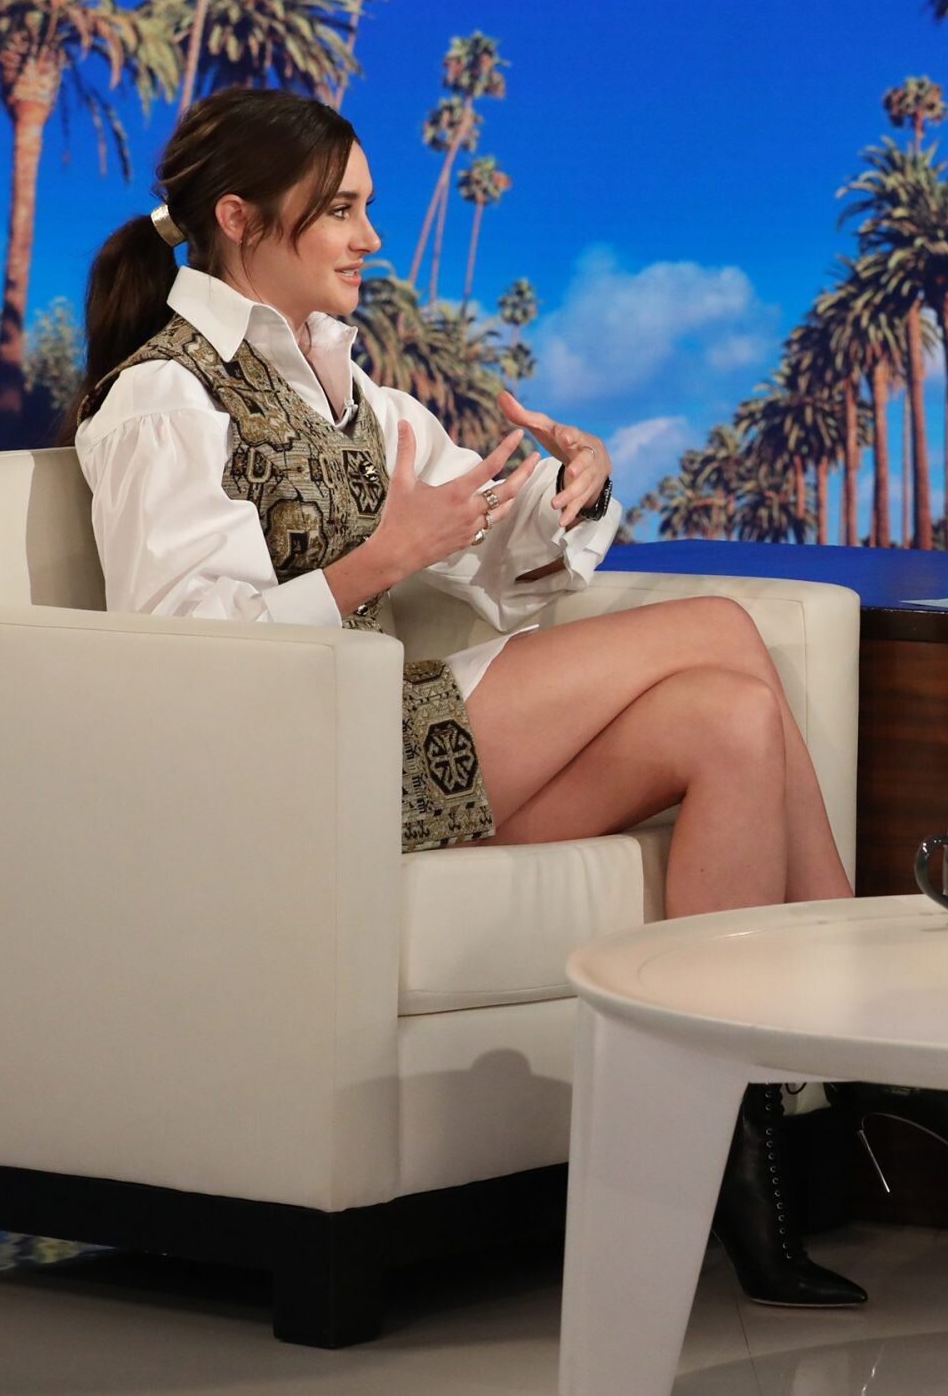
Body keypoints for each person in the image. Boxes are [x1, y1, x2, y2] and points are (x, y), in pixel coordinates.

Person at [65, 88, 862, 1308]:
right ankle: (862, 1032)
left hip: (391, 742)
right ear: (239, 219)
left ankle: (737, 1173)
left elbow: (492, 562)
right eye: (340, 210)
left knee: (731, 720)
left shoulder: (352, 389)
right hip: (294, 770)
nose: (369, 237)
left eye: (368, 207)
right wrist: (376, 561)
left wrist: (575, 491)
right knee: (717, 629)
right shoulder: (161, 397)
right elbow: (176, 649)